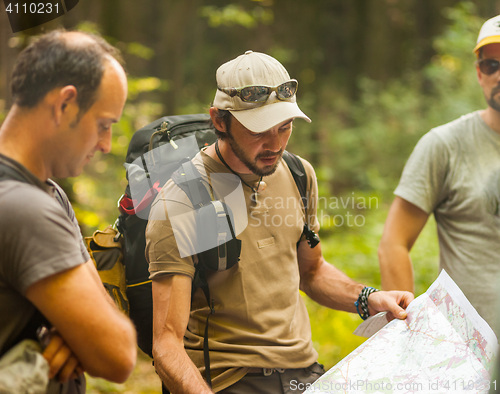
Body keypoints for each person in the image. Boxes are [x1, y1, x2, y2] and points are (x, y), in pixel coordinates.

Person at [146, 50, 414, 394]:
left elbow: (312, 272)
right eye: (258, 131)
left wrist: (369, 299)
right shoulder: (182, 201)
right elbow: (166, 345)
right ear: (219, 121)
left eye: (284, 127)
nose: (274, 144)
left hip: (304, 372)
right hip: (230, 378)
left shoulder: (299, 173)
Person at [0, 30, 137, 392]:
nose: (106, 144)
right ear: (65, 104)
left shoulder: (49, 195)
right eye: (103, 125)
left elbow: (103, 317)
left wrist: (81, 333)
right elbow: (118, 353)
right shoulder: (22, 208)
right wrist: (86, 337)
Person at [378, 15, 500, 331]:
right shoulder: (444, 145)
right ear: (479, 72)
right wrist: (409, 331)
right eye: (492, 65)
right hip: (471, 357)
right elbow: (394, 242)